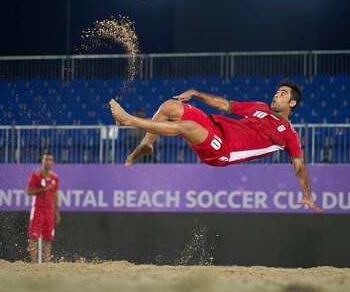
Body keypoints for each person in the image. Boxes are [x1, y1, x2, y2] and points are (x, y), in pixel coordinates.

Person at [109, 79, 322, 212]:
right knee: (171, 106)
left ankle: (129, 121)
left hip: (223, 151)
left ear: (292, 103)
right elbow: (223, 104)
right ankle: (146, 145)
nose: (276, 94)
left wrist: (307, 194)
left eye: (283, 94)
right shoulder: (259, 107)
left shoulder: (289, 134)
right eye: (277, 91)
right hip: (214, 127)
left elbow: (299, 167)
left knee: (189, 127)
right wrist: (196, 93)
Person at [26, 152, 61, 263]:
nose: (48, 161)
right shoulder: (35, 175)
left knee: (48, 238)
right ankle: (33, 262)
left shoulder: (55, 177)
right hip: (37, 209)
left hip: (49, 211)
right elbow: (28, 191)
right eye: (46, 159)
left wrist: (57, 211)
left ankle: (46, 263)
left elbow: (55, 194)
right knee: (33, 237)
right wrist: (43, 189)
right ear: (43, 161)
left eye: (50, 159)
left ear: (53, 162)